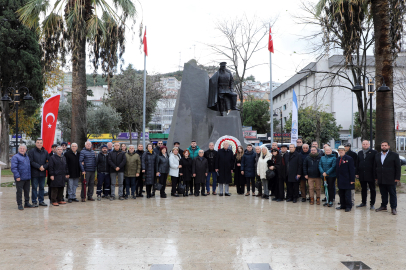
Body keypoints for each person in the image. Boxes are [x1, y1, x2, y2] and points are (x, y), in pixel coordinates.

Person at [374, 141, 401, 215]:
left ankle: (393, 208)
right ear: (381, 147)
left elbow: (398, 167)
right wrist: (376, 177)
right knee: (383, 193)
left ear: (388, 146)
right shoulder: (377, 155)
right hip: (381, 178)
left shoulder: (394, 155)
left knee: (392, 193)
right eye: (382, 145)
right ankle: (383, 206)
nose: (384, 147)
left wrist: (397, 177)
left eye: (385, 145)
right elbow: (375, 166)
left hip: (391, 178)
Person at [356, 140, 377, 210]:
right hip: (362, 174)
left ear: (369, 144)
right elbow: (357, 163)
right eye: (364, 144)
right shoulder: (359, 153)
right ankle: (363, 202)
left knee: (372, 189)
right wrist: (357, 173)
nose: (365, 145)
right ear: (362, 145)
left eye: (366, 144)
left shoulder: (374, 152)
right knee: (363, 189)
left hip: (371, 174)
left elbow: (376, 164)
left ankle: (372, 204)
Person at [11, 145, 34, 210]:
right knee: (19, 191)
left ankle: (26, 203)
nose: (22, 149)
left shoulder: (27, 157)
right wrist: (17, 176)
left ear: (26, 150)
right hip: (20, 178)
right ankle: (20, 204)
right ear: (18, 149)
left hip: (27, 177)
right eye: (20, 148)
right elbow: (14, 168)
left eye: (23, 148)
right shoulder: (15, 157)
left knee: (27, 191)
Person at [28, 138, 49, 207]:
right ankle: (34, 201)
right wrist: (39, 166)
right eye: (38, 142)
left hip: (42, 173)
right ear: (35, 143)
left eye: (40, 143)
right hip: (35, 173)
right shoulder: (31, 151)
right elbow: (31, 161)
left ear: (42, 144)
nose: (39, 144)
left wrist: (44, 167)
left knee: (42, 187)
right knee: (34, 187)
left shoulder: (45, 152)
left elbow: (48, 162)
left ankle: (41, 201)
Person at [335, 145, 355, 212]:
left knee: (347, 194)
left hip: (347, 179)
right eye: (339, 150)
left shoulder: (349, 158)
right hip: (340, 179)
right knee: (341, 194)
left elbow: (352, 169)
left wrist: (352, 179)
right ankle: (342, 205)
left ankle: (348, 206)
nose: (341, 151)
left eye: (342, 150)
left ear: (344, 151)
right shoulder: (337, 159)